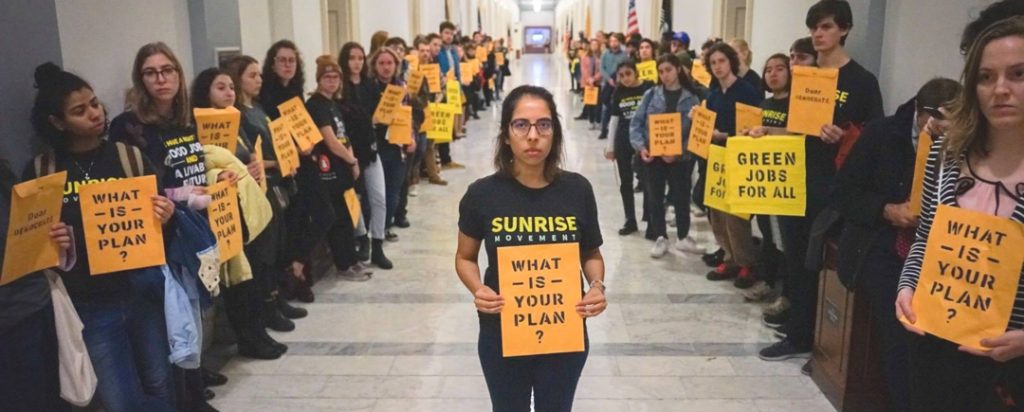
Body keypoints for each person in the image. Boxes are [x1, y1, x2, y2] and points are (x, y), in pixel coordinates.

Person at [28, 62, 177, 412]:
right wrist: (52, 242)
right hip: (89, 303)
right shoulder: (42, 171)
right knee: (118, 399)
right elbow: (30, 247)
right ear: (57, 122)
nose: (94, 114)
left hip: (141, 289)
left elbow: (157, 230)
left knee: (160, 383)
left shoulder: (128, 158)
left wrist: (167, 217)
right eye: (80, 111)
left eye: (94, 103)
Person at [897, 17, 1024, 411]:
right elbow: (927, 238)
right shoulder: (946, 153)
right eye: (986, 77)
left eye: (1018, 74)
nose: (1000, 89)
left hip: (1012, 362)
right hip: (936, 340)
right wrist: (907, 285)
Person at [455, 85, 607, 412]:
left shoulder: (578, 190)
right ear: (506, 135)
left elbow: (591, 253)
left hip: (564, 330)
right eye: (521, 124)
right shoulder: (482, 195)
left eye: (544, 125)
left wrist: (596, 286)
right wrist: (478, 288)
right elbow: (465, 257)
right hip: (503, 331)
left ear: (555, 133)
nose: (533, 135)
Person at [761, 0, 885, 363]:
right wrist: (767, 130)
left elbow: (874, 135)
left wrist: (843, 134)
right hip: (798, 174)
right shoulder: (805, 76)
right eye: (814, 27)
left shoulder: (862, 81)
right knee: (795, 256)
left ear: (844, 29)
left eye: (827, 27)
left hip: (834, 183)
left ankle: (815, 337)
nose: (818, 34)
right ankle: (799, 328)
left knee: (821, 262)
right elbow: (796, 125)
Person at [836, 77, 961, 411]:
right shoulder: (881, 134)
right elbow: (843, 194)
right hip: (882, 244)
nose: (942, 134)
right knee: (902, 341)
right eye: (936, 126)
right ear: (921, 114)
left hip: (944, 255)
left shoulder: (969, 143)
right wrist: (888, 210)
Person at [190, 68, 290, 362]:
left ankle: (258, 330)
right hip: (223, 207)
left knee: (256, 270)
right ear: (205, 92)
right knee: (239, 277)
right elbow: (209, 163)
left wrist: (255, 167)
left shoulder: (236, 120)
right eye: (220, 87)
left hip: (248, 204)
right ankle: (248, 336)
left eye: (231, 87)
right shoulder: (199, 126)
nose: (229, 92)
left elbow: (246, 157)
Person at [0, 158, 72, 412]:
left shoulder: (5, 175)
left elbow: (26, 238)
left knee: (55, 397)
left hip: (37, 305)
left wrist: (55, 241)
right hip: (11, 321)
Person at [699, 42, 763, 288]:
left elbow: (751, 128)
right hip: (716, 158)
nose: (717, 67)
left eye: (721, 61)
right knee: (717, 211)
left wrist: (723, 136)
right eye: (713, 63)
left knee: (737, 214)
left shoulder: (746, 91)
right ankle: (728, 256)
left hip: (738, 156)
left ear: (731, 62)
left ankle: (747, 263)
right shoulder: (713, 93)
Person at [630, 54, 706, 258]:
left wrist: (678, 151)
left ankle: (683, 237)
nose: (665, 75)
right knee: (655, 197)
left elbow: (695, 132)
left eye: (668, 70)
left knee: (681, 197)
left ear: (678, 69)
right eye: (661, 71)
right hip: (653, 157)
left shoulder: (692, 98)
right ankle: (660, 237)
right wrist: (641, 147)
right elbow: (636, 124)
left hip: (680, 159)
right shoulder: (651, 95)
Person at [340, 41, 393, 269]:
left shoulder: (370, 85)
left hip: (370, 149)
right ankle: (362, 237)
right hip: (349, 150)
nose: (356, 62)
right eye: (352, 58)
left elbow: (379, 113)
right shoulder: (342, 87)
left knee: (379, 197)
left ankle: (378, 244)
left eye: (360, 58)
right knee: (355, 198)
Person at [368, 47, 415, 246]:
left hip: (397, 145)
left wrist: (411, 136)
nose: (386, 67)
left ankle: (385, 226)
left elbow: (408, 114)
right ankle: (375, 230)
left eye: (390, 63)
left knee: (393, 191)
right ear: (375, 66)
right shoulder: (369, 88)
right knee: (378, 193)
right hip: (376, 145)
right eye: (382, 63)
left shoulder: (401, 87)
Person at [603, 61, 654, 236]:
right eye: (621, 75)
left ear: (636, 73)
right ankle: (629, 219)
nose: (625, 78)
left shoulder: (648, 89)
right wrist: (610, 147)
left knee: (648, 179)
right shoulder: (618, 92)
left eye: (628, 74)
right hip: (623, 140)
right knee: (626, 182)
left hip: (644, 140)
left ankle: (650, 217)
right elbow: (614, 120)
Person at [437, 21, 465, 169]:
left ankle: (446, 158)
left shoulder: (453, 51)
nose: (449, 36)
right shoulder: (438, 51)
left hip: (453, 90)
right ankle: (443, 158)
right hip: (441, 91)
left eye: (451, 33)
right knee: (442, 125)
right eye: (446, 33)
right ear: (441, 33)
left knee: (449, 124)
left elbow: (457, 70)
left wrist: (459, 88)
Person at [598, 33, 628, 140]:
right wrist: (609, 79)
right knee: (605, 108)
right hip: (607, 83)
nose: (613, 43)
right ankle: (603, 130)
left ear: (619, 42)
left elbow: (626, 67)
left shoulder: (624, 55)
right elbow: (601, 68)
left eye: (616, 41)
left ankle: (614, 130)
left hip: (619, 83)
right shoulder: (605, 54)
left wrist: (619, 79)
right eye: (611, 41)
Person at [579, 39, 603, 130]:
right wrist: (589, 80)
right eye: (592, 44)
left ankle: (598, 121)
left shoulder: (601, 57)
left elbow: (602, 69)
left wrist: (594, 79)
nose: (594, 46)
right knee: (590, 103)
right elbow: (583, 70)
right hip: (587, 83)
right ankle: (591, 121)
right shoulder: (585, 56)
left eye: (596, 44)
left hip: (598, 82)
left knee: (598, 103)